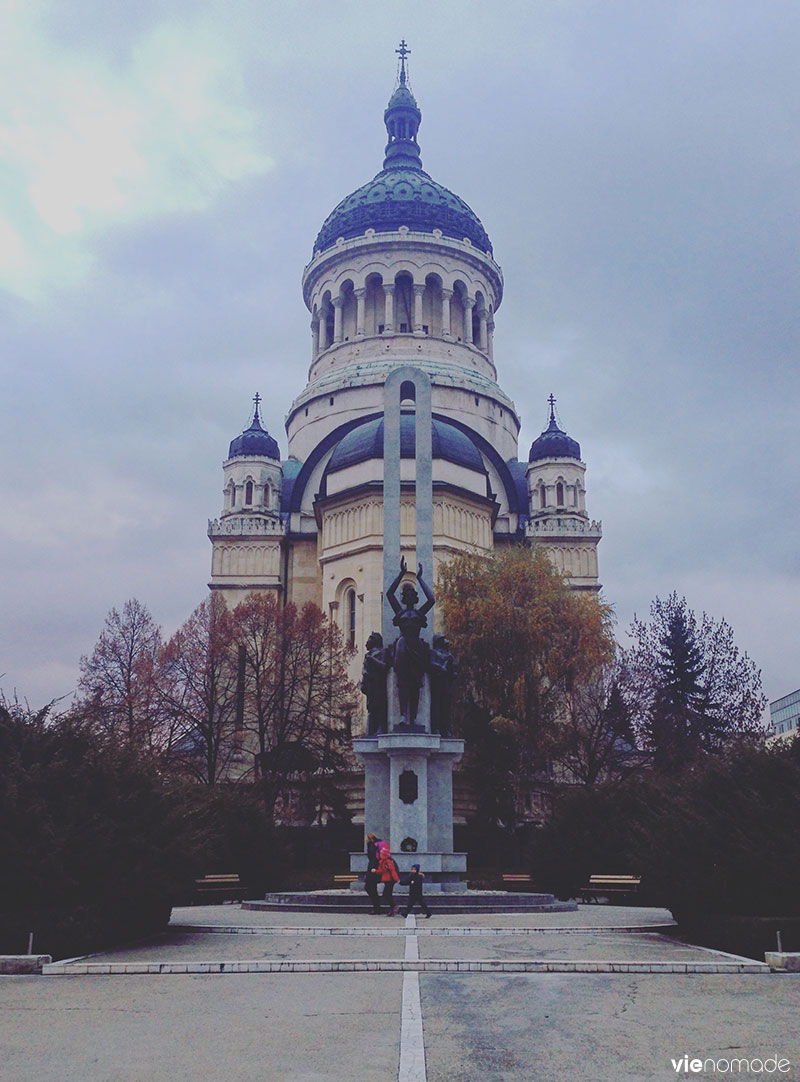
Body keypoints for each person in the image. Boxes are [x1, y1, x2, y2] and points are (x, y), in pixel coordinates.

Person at [386, 557, 435, 726]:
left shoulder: (419, 614)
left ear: (414, 598)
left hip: (417, 649)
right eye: (405, 595)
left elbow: (431, 599)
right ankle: (401, 717)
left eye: (411, 594)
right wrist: (401, 573)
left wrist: (420, 579)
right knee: (403, 684)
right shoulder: (400, 614)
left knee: (416, 684)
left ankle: (413, 718)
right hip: (403, 648)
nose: (408, 596)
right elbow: (389, 594)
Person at [429, 634, 457, 736]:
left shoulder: (448, 655)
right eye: (442, 640)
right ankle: (435, 728)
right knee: (436, 705)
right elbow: (431, 663)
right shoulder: (433, 652)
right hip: (437, 681)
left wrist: (452, 670)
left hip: (446, 682)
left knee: (446, 706)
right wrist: (441, 667)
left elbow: (454, 669)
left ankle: (445, 729)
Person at [361, 633, 389, 734]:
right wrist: (363, 682)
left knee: (380, 704)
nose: (366, 643)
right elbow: (364, 669)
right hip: (370, 683)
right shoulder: (367, 655)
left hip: (378, 682)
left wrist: (372, 660)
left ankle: (381, 727)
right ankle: (371, 729)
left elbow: (384, 666)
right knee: (371, 706)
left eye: (369, 640)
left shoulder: (382, 652)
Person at [376, 842, 400, 915]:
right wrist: (376, 871)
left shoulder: (387, 861)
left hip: (390, 880)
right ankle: (392, 908)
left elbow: (392, 871)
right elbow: (382, 870)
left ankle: (394, 907)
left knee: (386, 894)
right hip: (387, 879)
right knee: (387, 894)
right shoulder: (383, 861)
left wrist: (396, 879)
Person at [364, 832, 383, 914]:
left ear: (369, 838)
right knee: (372, 888)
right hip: (373, 869)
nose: (365, 839)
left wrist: (374, 868)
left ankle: (377, 908)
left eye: (366, 838)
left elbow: (374, 859)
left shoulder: (372, 846)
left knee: (369, 887)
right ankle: (377, 908)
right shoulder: (373, 846)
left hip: (373, 870)